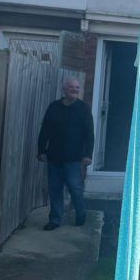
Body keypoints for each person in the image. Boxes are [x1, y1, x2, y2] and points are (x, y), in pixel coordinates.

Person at [37, 77, 94, 230]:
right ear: (64, 89)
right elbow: (45, 130)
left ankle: (80, 214)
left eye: (77, 88)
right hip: (54, 156)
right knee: (55, 189)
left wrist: (88, 154)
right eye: (71, 87)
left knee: (75, 188)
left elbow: (89, 133)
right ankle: (55, 220)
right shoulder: (54, 107)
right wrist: (41, 150)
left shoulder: (83, 108)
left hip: (74, 158)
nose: (74, 90)